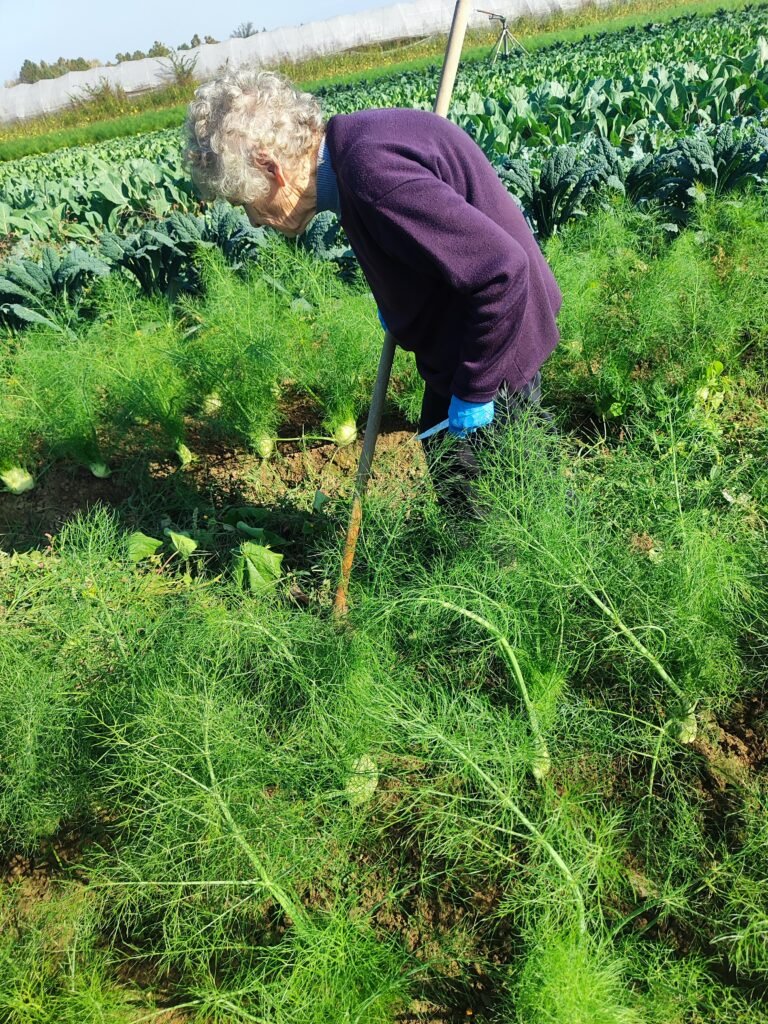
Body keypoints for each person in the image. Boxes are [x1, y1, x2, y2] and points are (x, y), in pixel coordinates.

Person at [185, 69, 562, 513]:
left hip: (497, 343)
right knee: (465, 471)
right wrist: (401, 303)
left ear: (272, 167)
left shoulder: (370, 175)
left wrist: (478, 390)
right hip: (468, 333)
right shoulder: (350, 155)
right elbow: (426, 250)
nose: (252, 219)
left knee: (509, 496)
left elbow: (501, 270)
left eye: (246, 202)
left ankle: (534, 573)